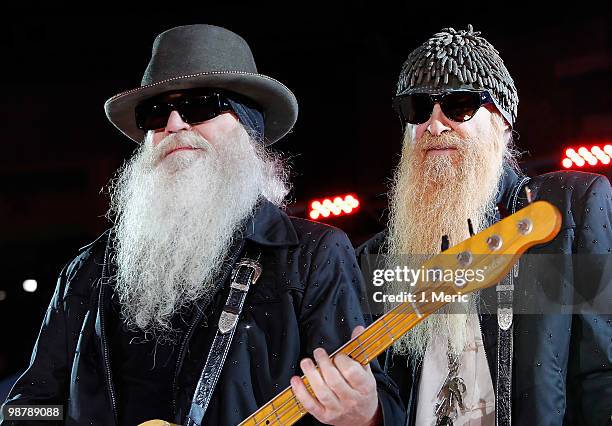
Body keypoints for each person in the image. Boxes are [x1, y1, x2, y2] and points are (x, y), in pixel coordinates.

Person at [1, 24, 403, 426]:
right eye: (156, 114)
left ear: (248, 128)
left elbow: (383, 402)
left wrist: (367, 414)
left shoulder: (313, 255)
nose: (174, 124)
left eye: (200, 106)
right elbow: (28, 402)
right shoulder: (87, 270)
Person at [357, 25, 612, 426]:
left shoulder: (569, 207)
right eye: (418, 109)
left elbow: (603, 375)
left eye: (458, 105)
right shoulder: (374, 257)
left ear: (502, 121)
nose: (435, 125)